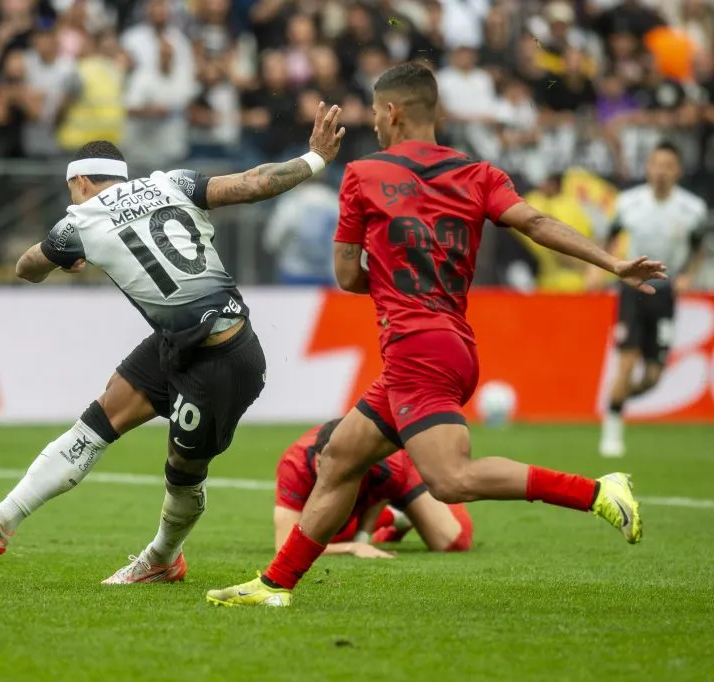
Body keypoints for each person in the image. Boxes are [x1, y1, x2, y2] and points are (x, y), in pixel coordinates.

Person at [207, 62, 663, 608]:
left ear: (393, 112)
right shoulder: (480, 174)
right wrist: (612, 263)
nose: (374, 123)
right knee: (339, 459)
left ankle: (595, 491)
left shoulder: (362, 176)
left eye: (376, 113)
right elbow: (537, 223)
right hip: (448, 344)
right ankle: (275, 585)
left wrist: (396, 271)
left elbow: (348, 277)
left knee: (449, 480)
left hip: (415, 349)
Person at [0, 103, 348, 584]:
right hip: (198, 340)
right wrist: (316, 159)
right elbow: (254, 182)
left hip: (220, 363)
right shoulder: (171, 182)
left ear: (79, 183)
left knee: (182, 472)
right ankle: (1, 520)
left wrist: (62, 260)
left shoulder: (79, 222)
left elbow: (26, 267)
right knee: (99, 419)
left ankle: (162, 558)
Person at [598, 142, 708, 458]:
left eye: (668, 165)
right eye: (656, 164)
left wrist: (689, 274)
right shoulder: (628, 202)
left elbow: (699, 247)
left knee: (653, 377)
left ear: (678, 171)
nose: (661, 171)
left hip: (666, 293)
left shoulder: (693, 208)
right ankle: (612, 432)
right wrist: (604, 266)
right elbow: (611, 237)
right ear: (647, 168)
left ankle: (616, 402)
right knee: (627, 360)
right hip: (633, 290)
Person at [275, 420, 473, 558]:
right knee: (325, 532)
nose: (333, 474)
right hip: (369, 483)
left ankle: (403, 515)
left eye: (343, 468)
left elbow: (382, 494)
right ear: (317, 457)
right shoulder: (294, 465)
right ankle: (396, 519)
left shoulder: (390, 464)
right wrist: (353, 546)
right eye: (324, 465)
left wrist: (363, 537)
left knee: (454, 542)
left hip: (401, 477)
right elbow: (284, 546)